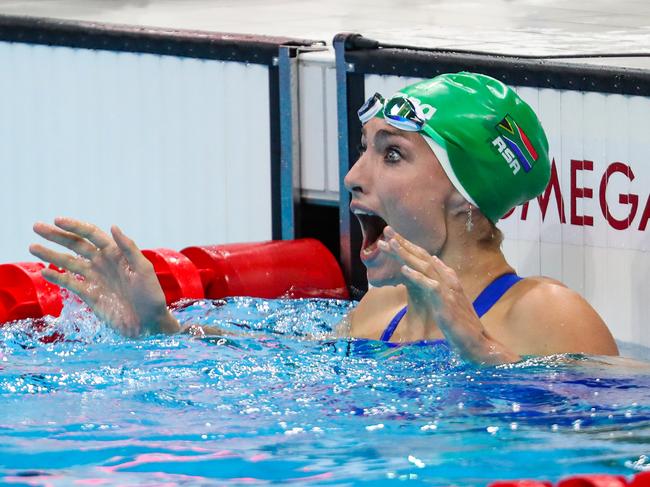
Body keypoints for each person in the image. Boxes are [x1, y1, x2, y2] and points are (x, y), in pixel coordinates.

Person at [30, 72, 618, 364]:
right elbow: (285, 360)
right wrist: (164, 331)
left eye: (392, 155)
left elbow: (621, 433)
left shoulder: (544, 312)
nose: (354, 177)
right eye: (365, 149)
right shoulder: (380, 310)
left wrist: (485, 354)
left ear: (467, 197)